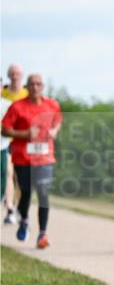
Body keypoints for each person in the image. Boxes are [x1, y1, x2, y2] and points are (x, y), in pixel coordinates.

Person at [1, 73, 62, 248]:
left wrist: (55, 131)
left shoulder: (52, 104)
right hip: (23, 157)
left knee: (43, 192)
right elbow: (4, 130)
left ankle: (43, 234)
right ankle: (24, 221)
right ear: (27, 87)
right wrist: (24, 134)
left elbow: (58, 120)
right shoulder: (17, 107)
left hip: (45, 156)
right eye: (32, 84)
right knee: (26, 193)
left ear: (43, 86)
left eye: (38, 84)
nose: (35, 87)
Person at [3, 63, 26, 224]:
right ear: (8, 75)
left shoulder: (26, 94)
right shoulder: (3, 93)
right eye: (12, 73)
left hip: (22, 140)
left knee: (20, 176)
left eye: (17, 73)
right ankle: (10, 207)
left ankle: (17, 207)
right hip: (6, 140)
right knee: (8, 173)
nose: (15, 76)